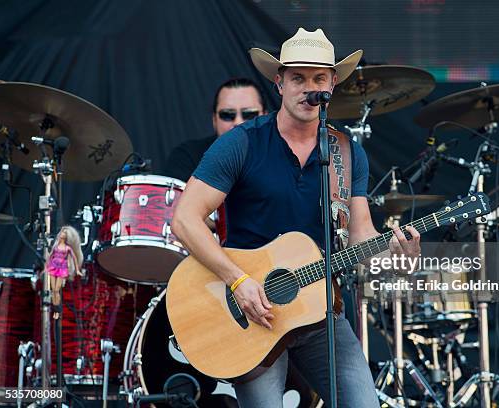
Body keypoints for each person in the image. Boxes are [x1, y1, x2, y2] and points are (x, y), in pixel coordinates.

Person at [172, 28, 421, 407]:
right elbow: (185, 220)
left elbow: (361, 238)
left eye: (318, 78)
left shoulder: (346, 153)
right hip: (251, 311)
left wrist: (397, 261)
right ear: (279, 83)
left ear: (333, 84)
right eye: (298, 78)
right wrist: (238, 281)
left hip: (319, 310)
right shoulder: (242, 143)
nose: (309, 88)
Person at [165, 77, 267, 183]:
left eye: (249, 114)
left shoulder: (281, 153)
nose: (238, 122)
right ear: (214, 119)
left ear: (265, 116)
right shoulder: (188, 156)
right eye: (227, 115)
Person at [45, 225, 83, 319]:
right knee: (54, 290)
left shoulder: (68, 249)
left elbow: (74, 258)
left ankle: (56, 310)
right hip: (53, 269)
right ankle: (56, 309)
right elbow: (50, 257)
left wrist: (77, 270)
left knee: (56, 290)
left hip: (62, 270)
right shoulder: (55, 247)